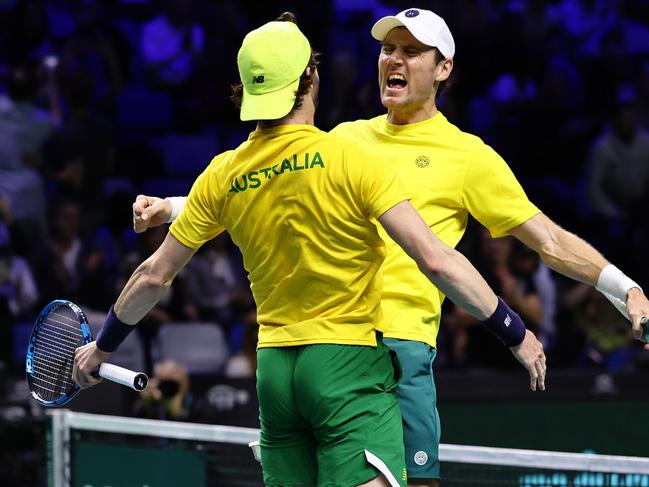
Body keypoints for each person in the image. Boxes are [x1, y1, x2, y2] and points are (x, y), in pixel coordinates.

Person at [134, 8, 649, 486]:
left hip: (400, 350)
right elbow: (263, 184)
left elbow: (550, 241)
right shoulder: (346, 138)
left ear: (444, 68)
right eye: (387, 50)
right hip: (329, 344)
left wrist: (621, 286)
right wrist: (174, 207)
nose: (392, 60)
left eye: (410, 52)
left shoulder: (469, 157)